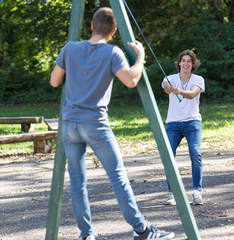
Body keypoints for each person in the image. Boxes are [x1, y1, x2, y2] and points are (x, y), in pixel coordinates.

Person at [50, 7, 175, 240]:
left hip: (69, 124)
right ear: (114, 31)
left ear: (91, 26)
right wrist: (140, 57)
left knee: (77, 182)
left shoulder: (70, 48)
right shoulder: (112, 52)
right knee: (117, 177)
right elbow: (131, 80)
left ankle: (86, 235)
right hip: (95, 124)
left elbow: (55, 81)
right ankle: (142, 231)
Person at [161, 49, 205, 206]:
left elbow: (192, 94)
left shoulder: (198, 79)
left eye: (189, 61)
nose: (186, 63)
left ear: (193, 64)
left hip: (192, 122)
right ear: (179, 63)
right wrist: (169, 88)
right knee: (168, 156)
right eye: (183, 60)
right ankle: (173, 194)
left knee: (195, 153)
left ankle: (196, 192)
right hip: (173, 123)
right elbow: (166, 87)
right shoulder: (170, 78)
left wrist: (178, 90)